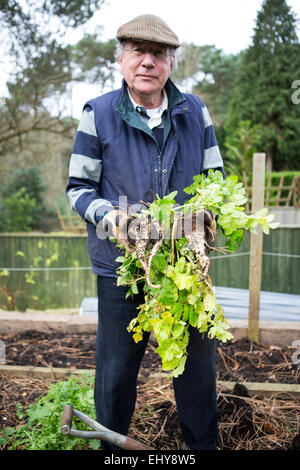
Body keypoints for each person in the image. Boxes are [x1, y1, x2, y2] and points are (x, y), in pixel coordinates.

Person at [66, 14, 224, 451]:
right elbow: (78, 189)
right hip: (123, 268)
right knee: (115, 375)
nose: (148, 62)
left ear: (171, 64)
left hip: (186, 268)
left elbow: (216, 181)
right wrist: (113, 219)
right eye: (138, 52)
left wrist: (207, 214)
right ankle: (113, 451)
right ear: (121, 60)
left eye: (158, 54)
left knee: (196, 374)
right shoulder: (97, 113)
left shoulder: (195, 111)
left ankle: (201, 449)